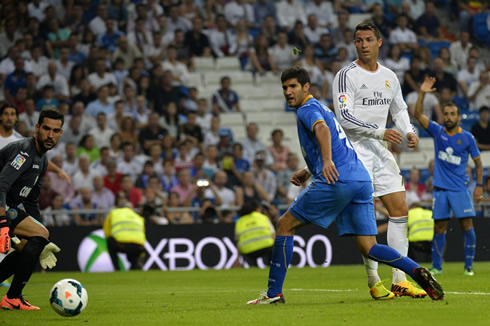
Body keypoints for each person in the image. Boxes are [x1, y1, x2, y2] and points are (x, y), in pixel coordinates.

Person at [247, 67, 443, 305]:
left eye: (293, 87)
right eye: (285, 88)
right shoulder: (322, 107)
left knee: (284, 225)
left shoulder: (307, 109)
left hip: (338, 179)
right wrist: (309, 169)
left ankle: (273, 293)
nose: (288, 92)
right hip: (360, 179)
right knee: (369, 246)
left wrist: (327, 161)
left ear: (306, 87)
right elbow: (339, 140)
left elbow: (322, 129)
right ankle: (415, 271)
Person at [333, 22, 424, 299]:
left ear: (379, 42)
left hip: (380, 149)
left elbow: (400, 109)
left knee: (399, 208)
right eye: (358, 40)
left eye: (368, 39)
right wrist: (380, 130)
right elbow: (344, 118)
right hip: (354, 150)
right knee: (366, 218)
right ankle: (374, 281)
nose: (363, 45)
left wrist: (410, 131)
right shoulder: (345, 75)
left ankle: (399, 279)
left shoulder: (389, 76)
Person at [413, 76, 484, 276]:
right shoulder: (438, 131)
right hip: (441, 189)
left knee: (467, 225)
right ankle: (437, 267)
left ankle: (469, 266)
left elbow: (478, 163)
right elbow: (418, 113)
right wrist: (422, 92)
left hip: (460, 188)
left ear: (459, 116)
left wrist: (479, 185)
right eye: (446, 114)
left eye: (453, 114)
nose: (449, 117)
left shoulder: (467, 137)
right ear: (443, 116)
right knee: (439, 227)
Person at [0, 108, 65, 310]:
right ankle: (14, 296)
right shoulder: (24, 151)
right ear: (37, 128)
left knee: (31, 244)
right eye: (46, 129)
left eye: (55, 130)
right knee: (36, 238)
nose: (50, 135)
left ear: (61, 133)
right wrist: (2, 223)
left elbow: (31, 201)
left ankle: (13, 298)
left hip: (7, 207)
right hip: (3, 207)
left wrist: (41, 240)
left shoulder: (42, 159)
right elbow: (1, 185)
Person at [103, 192, 146, 271]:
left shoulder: (113, 213)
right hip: (139, 245)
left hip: (121, 244)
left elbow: (107, 232)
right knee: (135, 251)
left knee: (110, 241)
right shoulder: (138, 216)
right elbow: (142, 232)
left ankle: (117, 268)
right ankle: (135, 266)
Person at [235, 200, 275, 267]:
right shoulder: (262, 217)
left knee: (252, 262)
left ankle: (253, 268)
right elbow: (273, 235)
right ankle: (273, 266)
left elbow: (238, 242)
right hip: (266, 247)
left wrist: (238, 259)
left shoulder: (239, 222)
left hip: (248, 251)